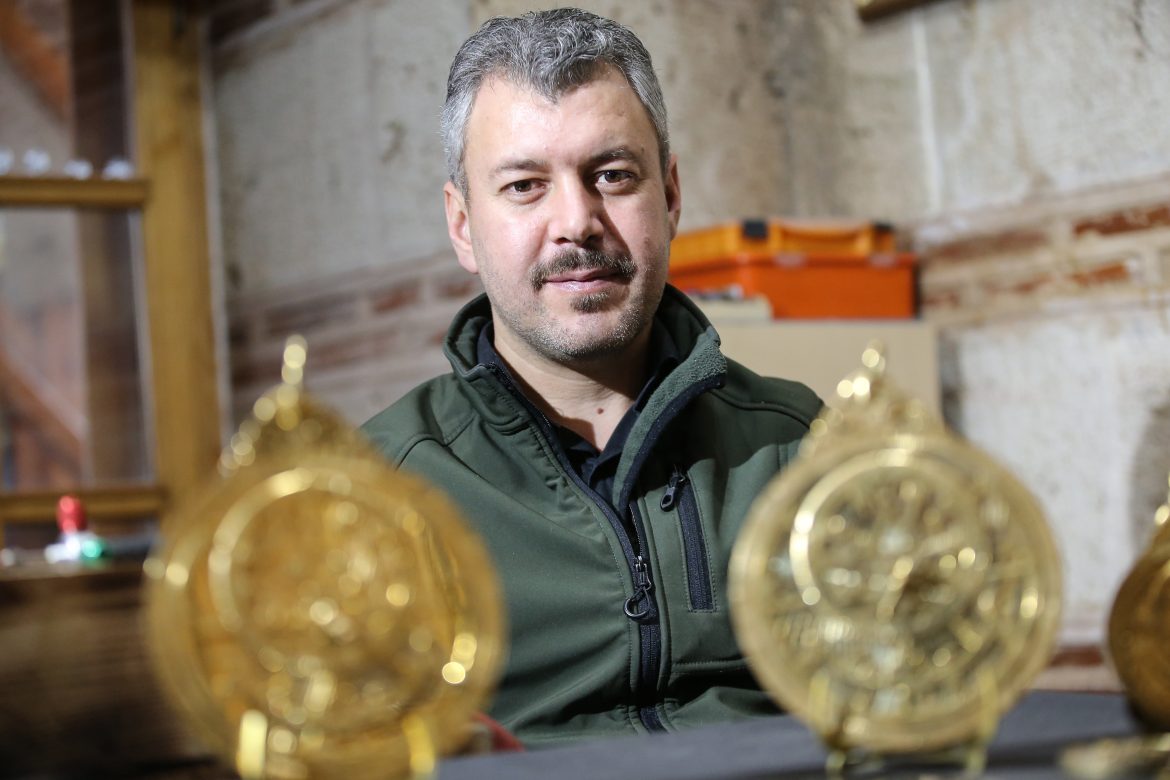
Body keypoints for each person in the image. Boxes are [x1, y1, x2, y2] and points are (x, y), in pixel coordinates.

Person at [362, 8, 821, 747]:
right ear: (461, 224)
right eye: (524, 186)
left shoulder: (803, 448)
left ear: (670, 197)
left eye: (612, 175)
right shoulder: (374, 494)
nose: (576, 221)